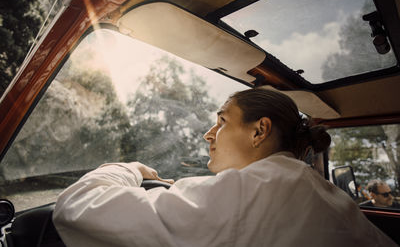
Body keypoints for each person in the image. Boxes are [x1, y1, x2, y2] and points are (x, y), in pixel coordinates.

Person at [53, 88, 396, 247]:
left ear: (259, 130)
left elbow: (76, 207)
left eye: (221, 121)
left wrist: (129, 169)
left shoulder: (245, 194)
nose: (208, 134)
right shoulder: (327, 193)